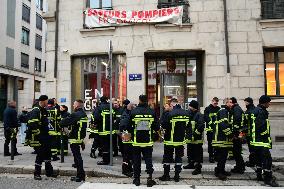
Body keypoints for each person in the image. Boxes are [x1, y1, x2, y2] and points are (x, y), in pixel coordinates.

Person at [122, 95, 160, 187]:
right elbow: (157, 127)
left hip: (136, 141)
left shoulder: (133, 112)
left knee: (136, 161)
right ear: (147, 101)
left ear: (139, 100)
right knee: (148, 160)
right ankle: (149, 178)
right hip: (148, 141)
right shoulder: (151, 112)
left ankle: (137, 179)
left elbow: (127, 126)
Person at [26, 95, 57, 180]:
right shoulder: (36, 110)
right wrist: (39, 135)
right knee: (40, 156)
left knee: (48, 155)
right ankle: (37, 174)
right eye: (47, 101)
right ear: (43, 101)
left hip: (46, 136)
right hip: (39, 138)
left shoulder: (43, 110)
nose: (48, 102)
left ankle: (49, 172)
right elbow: (32, 124)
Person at [250, 95, 279, 187]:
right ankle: (268, 179)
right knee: (267, 160)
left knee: (258, 159)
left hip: (255, 140)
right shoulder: (261, 112)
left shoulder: (255, 110)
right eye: (269, 102)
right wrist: (265, 135)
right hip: (262, 141)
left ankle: (259, 175)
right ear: (264, 102)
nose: (270, 103)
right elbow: (260, 126)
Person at [159, 98, 188, 182]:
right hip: (180, 140)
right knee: (178, 158)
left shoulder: (169, 114)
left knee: (167, 158)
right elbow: (188, 126)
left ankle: (166, 175)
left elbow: (164, 125)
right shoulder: (185, 113)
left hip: (169, 140)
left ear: (172, 105)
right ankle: (177, 176)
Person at [60, 99, 88, 182]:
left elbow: (62, 123)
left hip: (74, 139)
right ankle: (80, 175)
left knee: (77, 157)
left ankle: (80, 176)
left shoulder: (75, 114)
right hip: (80, 138)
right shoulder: (84, 114)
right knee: (77, 157)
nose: (73, 106)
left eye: (74, 104)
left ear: (77, 105)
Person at [212, 98, 233, 180]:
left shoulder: (226, 111)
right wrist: (230, 134)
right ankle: (219, 172)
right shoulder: (224, 111)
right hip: (220, 138)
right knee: (222, 156)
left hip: (223, 138)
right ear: (226, 103)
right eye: (230, 102)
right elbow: (223, 125)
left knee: (223, 156)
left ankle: (220, 170)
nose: (232, 104)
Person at [183, 100, 205, 175]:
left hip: (196, 140)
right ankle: (191, 164)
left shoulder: (199, 115)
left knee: (197, 154)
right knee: (190, 153)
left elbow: (201, 126)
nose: (189, 107)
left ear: (194, 107)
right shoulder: (190, 114)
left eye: (190, 106)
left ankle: (198, 168)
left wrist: (195, 135)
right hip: (190, 139)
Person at [93, 96, 116, 165]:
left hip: (103, 131)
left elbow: (96, 118)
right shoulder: (111, 107)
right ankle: (109, 160)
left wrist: (96, 124)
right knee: (109, 146)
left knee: (104, 147)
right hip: (111, 131)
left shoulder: (99, 107)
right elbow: (114, 117)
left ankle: (105, 161)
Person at [230, 97, 245, 174]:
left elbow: (237, 122)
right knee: (237, 151)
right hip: (239, 133)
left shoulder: (236, 109)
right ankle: (240, 166)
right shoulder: (237, 108)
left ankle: (240, 167)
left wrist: (235, 134)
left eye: (230, 102)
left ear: (232, 102)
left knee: (237, 152)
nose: (229, 104)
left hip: (237, 134)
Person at [119, 100, 134, 177]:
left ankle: (129, 168)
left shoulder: (126, 113)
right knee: (127, 154)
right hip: (127, 134)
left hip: (127, 134)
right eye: (133, 106)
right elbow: (123, 126)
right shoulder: (126, 114)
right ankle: (125, 170)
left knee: (129, 154)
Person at [204, 97, 220, 163]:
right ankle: (211, 156)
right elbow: (206, 117)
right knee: (210, 144)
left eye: (217, 103)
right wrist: (211, 124)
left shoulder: (219, 109)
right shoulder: (207, 109)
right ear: (212, 101)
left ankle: (216, 156)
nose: (215, 104)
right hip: (210, 130)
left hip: (216, 130)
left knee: (216, 144)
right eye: (215, 103)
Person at [243, 97, 256, 167]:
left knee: (251, 148)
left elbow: (245, 123)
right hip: (253, 133)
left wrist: (243, 133)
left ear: (248, 102)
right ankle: (253, 161)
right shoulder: (255, 109)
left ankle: (252, 162)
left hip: (250, 133)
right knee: (253, 148)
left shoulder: (249, 111)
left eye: (245, 102)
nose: (245, 104)